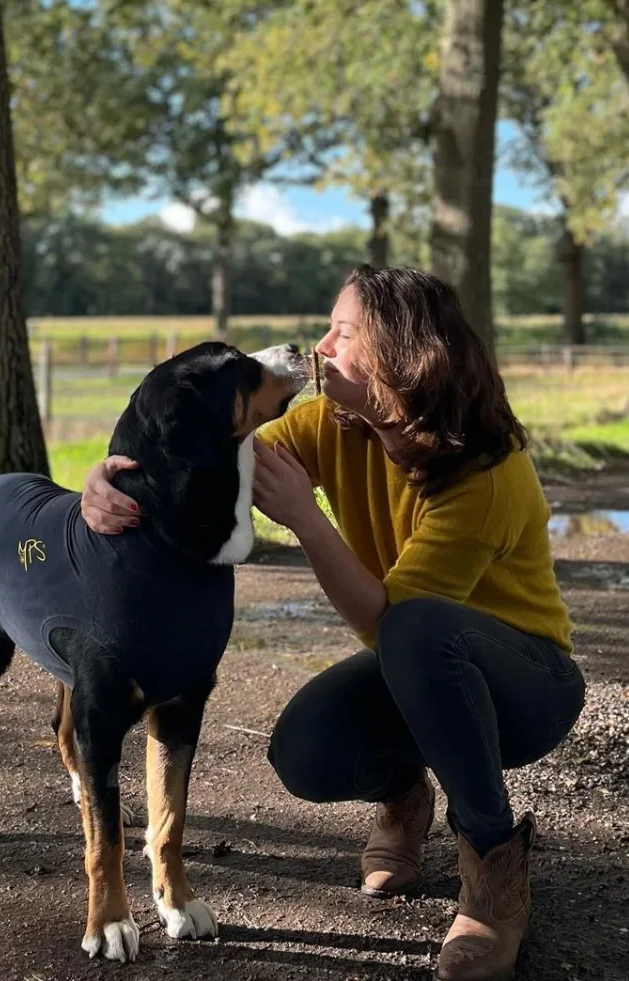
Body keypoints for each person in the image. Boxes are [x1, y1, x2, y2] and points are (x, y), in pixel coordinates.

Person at [79, 265, 585, 981]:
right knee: (304, 751)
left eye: (342, 333)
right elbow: (194, 449)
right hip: (419, 663)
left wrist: (307, 522)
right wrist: (103, 482)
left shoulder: (487, 475)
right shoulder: (338, 422)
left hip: (526, 685)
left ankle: (493, 869)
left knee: (414, 630)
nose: (320, 346)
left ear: (400, 357)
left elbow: (389, 622)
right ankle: (405, 797)